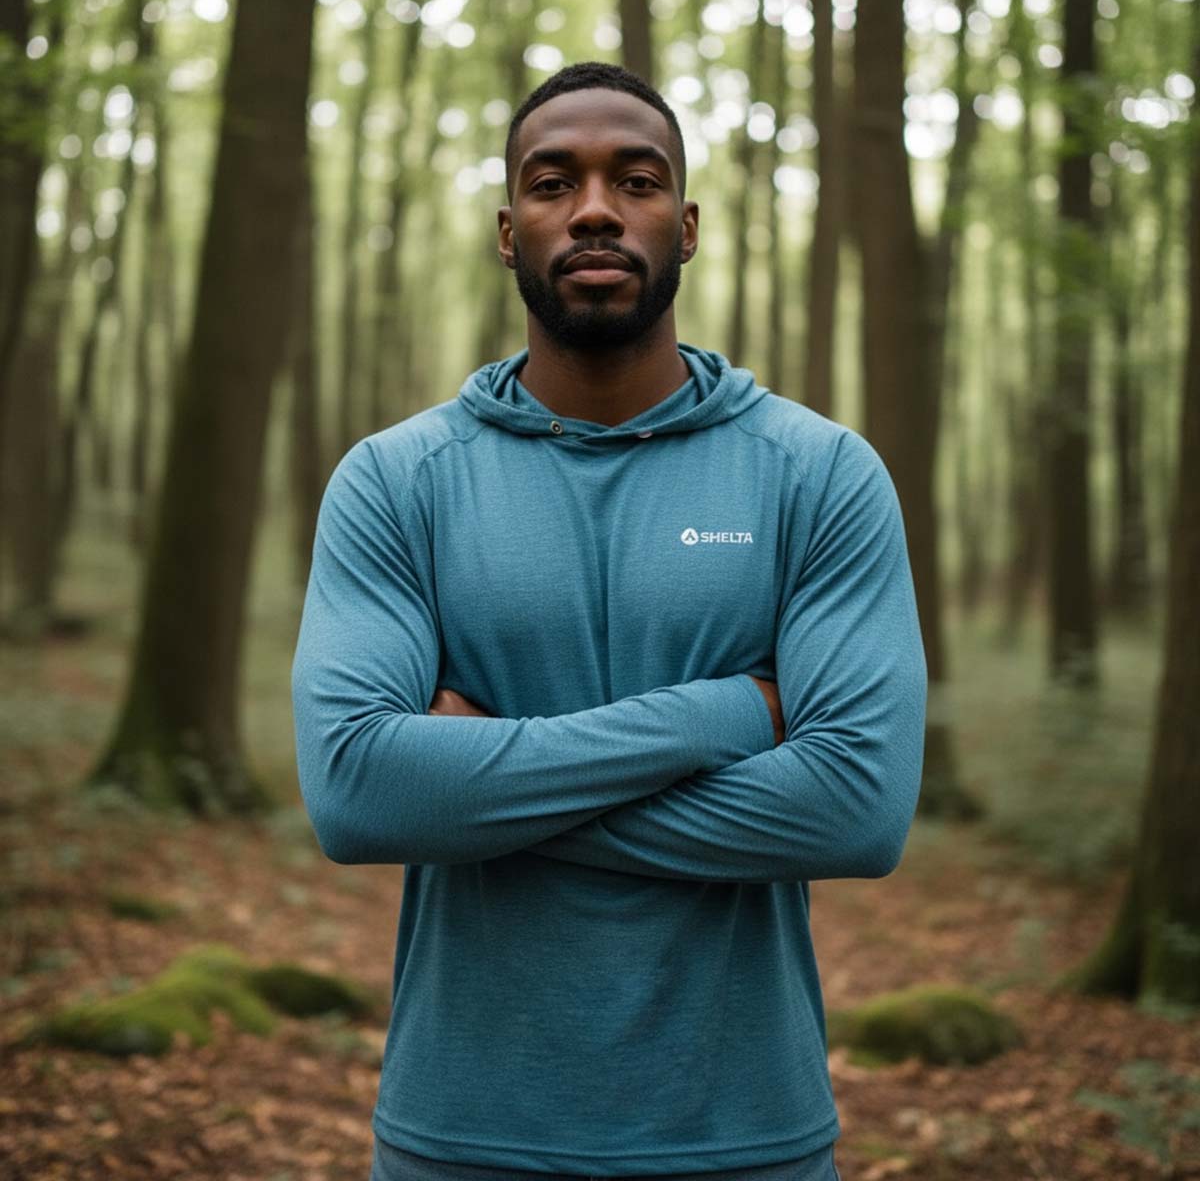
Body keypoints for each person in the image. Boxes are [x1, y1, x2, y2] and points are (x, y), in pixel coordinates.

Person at [292, 61, 926, 1181]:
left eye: (634, 180)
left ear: (685, 226)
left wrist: (469, 784)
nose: (593, 208)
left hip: (746, 1139)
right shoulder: (397, 482)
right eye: (553, 183)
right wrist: (731, 711)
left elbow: (856, 813)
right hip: (461, 1137)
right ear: (507, 230)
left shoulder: (817, 475)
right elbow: (356, 792)